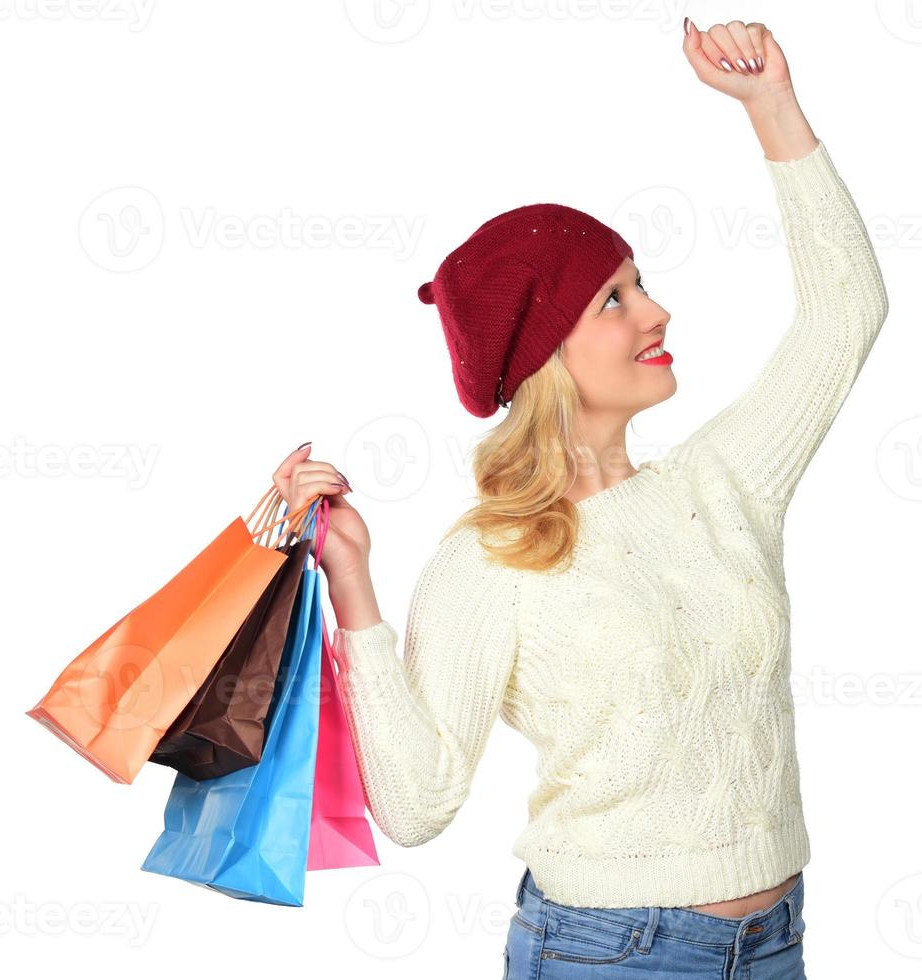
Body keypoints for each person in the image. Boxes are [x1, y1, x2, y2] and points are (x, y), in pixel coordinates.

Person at [271, 16, 888, 978]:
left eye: (642, 283)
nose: (657, 311)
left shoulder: (723, 484)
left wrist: (771, 104)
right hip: (610, 952)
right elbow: (419, 801)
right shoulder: (493, 555)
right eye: (615, 298)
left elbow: (846, 313)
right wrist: (354, 588)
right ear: (543, 352)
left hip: (776, 943)